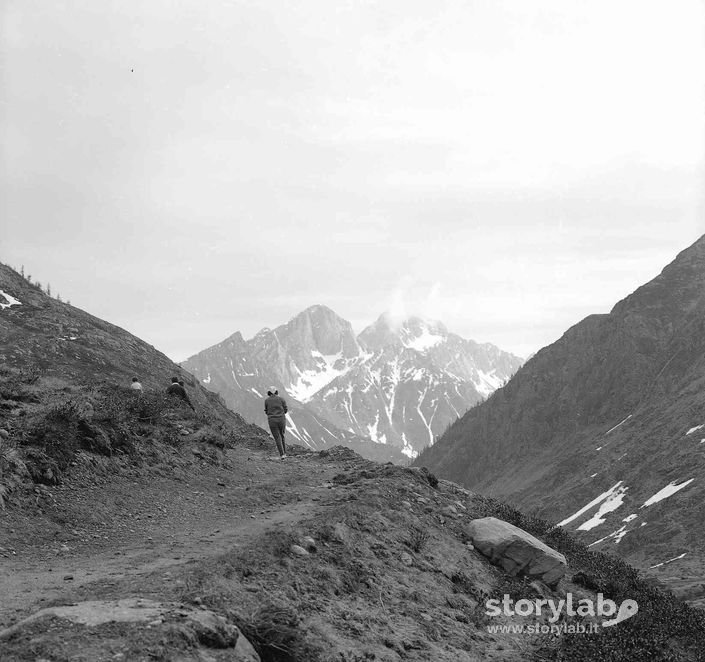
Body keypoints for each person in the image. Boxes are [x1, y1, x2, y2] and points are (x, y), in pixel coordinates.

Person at [264, 387, 288, 459]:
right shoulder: (281, 399)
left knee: (277, 437)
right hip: (281, 420)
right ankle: (285, 453)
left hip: (272, 421)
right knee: (282, 435)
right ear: (276, 392)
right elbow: (286, 409)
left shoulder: (266, 401)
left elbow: (266, 411)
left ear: (270, 393)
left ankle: (282, 455)